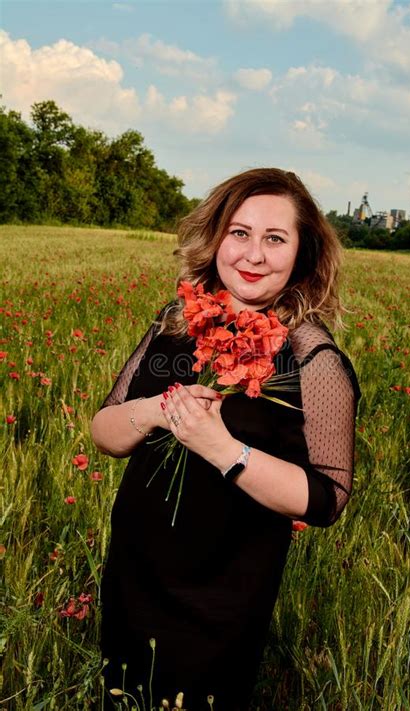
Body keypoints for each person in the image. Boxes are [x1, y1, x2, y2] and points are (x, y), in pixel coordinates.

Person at [90, 168, 361, 711]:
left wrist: (220, 447)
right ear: (217, 238)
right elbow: (106, 433)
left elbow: (328, 498)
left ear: (303, 253)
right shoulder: (175, 323)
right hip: (136, 569)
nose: (253, 255)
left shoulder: (312, 359)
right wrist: (161, 411)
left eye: (275, 238)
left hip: (222, 594)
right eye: (239, 233)